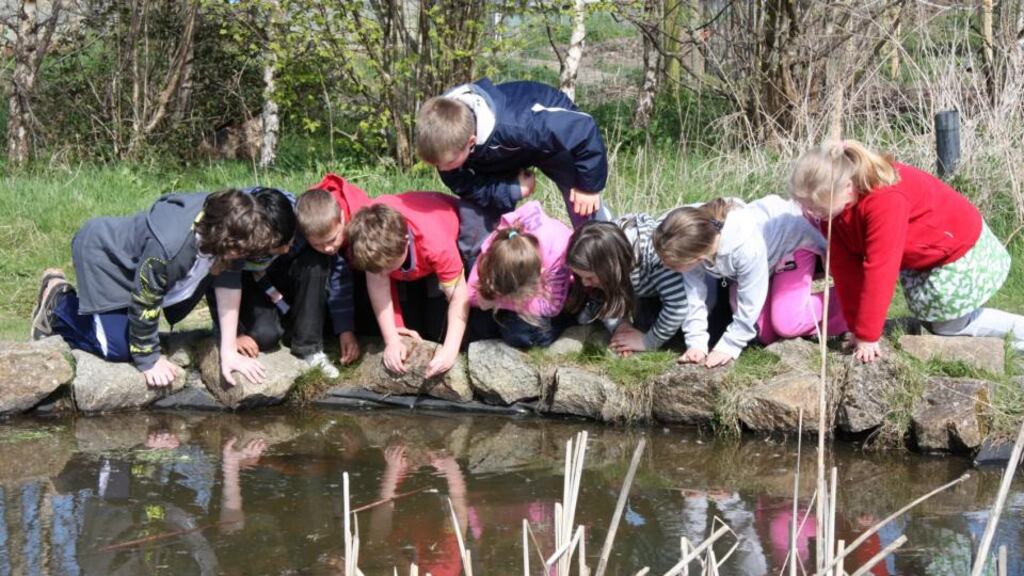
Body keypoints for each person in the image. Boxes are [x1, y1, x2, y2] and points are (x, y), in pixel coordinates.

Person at [789, 139, 1024, 362]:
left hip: (958, 247)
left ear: (848, 188)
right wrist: (856, 328)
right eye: (807, 207)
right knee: (935, 322)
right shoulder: (833, 212)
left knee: (950, 325)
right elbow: (846, 270)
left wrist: (869, 335)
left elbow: (880, 270)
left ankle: (1018, 336)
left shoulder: (884, 201)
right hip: (924, 255)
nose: (812, 214)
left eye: (816, 207)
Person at [30, 189, 277, 386]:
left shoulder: (233, 224)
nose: (243, 258)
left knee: (132, 338)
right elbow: (146, 301)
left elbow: (229, 286)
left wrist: (229, 350)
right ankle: (59, 305)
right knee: (117, 349)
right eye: (241, 252)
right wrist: (148, 360)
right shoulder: (169, 249)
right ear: (222, 238)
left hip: (140, 270)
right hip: (106, 259)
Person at [415, 78, 611, 265]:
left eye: (446, 164)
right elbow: (468, 187)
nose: (441, 170)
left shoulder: (521, 124)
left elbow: (583, 129)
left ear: (471, 142)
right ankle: (481, 281)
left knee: (585, 208)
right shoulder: (443, 144)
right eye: (435, 164)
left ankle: (605, 266)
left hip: (550, 142)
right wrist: (510, 190)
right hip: (497, 155)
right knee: (475, 217)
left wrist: (589, 187)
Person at [654, 195, 847, 368]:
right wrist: (696, 344)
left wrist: (729, 346)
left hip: (794, 244)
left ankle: (853, 307)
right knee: (764, 333)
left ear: (696, 255)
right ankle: (797, 314)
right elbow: (694, 296)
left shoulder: (744, 246)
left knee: (786, 322)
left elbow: (750, 300)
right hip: (762, 265)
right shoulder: (687, 234)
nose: (665, 266)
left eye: (671, 264)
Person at [209, 187, 348, 380]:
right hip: (252, 281)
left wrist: (345, 327)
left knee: (316, 260)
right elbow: (217, 279)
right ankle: (278, 325)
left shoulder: (302, 220)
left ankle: (307, 346)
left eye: (289, 242)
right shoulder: (241, 231)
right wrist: (235, 335)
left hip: (285, 276)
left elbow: (338, 270)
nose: (284, 249)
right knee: (265, 337)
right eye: (276, 247)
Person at [346, 192, 468, 378]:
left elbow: (460, 298)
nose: (382, 274)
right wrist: (391, 339)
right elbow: (378, 285)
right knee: (409, 328)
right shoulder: (368, 237)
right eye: (377, 269)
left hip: (444, 224)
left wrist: (450, 351)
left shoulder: (437, 243)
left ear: (405, 241)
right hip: (408, 263)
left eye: (387, 267)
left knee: (437, 330)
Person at [565, 215, 690, 357]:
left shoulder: (657, 256)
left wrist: (647, 341)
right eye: (580, 276)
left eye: (589, 277)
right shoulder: (607, 248)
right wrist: (621, 326)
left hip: (691, 297)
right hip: (641, 287)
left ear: (610, 268)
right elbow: (608, 294)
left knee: (648, 323)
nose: (584, 283)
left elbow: (677, 306)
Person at [292, 174, 373, 373]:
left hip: (357, 271)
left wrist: (346, 330)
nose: (328, 248)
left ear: (343, 219)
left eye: (332, 239)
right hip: (310, 280)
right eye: (318, 244)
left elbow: (341, 279)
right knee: (315, 262)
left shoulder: (360, 214)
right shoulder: (305, 220)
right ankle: (308, 344)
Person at [466, 200, 574, 348]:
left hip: (556, 292)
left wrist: (498, 302)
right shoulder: (498, 245)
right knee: (481, 326)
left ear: (539, 274)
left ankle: (572, 320)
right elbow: (471, 294)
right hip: (519, 288)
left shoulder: (558, 253)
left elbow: (551, 307)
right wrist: (488, 298)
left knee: (525, 336)